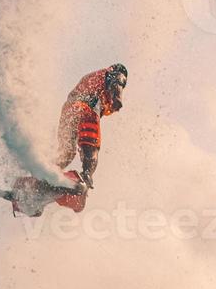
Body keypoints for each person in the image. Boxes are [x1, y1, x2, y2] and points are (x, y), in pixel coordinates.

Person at [8, 63, 128, 217]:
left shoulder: (92, 77)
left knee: (66, 152)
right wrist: (118, 98)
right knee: (91, 148)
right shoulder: (114, 73)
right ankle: (85, 177)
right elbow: (117, 80)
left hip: (69, 110)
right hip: (86, 109)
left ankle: (37, 183)